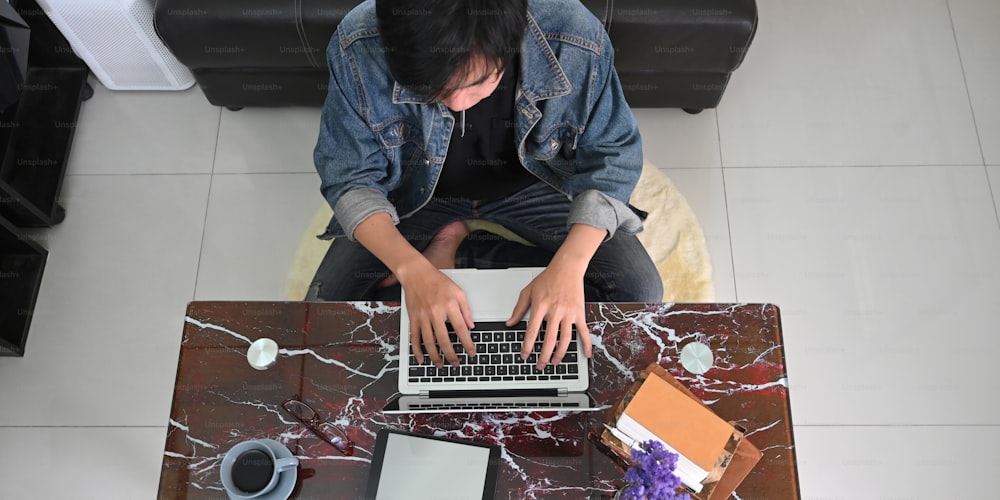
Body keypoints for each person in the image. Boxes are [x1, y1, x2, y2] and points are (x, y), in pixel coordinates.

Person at [309, 0, 663, 372]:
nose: (458, 104)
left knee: (639, 291)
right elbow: (350, 178)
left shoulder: (574, 34)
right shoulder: (360, 41)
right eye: (432, 90)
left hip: (537, 184)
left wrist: (569, 267)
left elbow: (612, 155)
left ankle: (463, 254)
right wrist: (413, 270)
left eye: (478, 82)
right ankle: (441, 256)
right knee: (325, 315)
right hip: (413, 196)